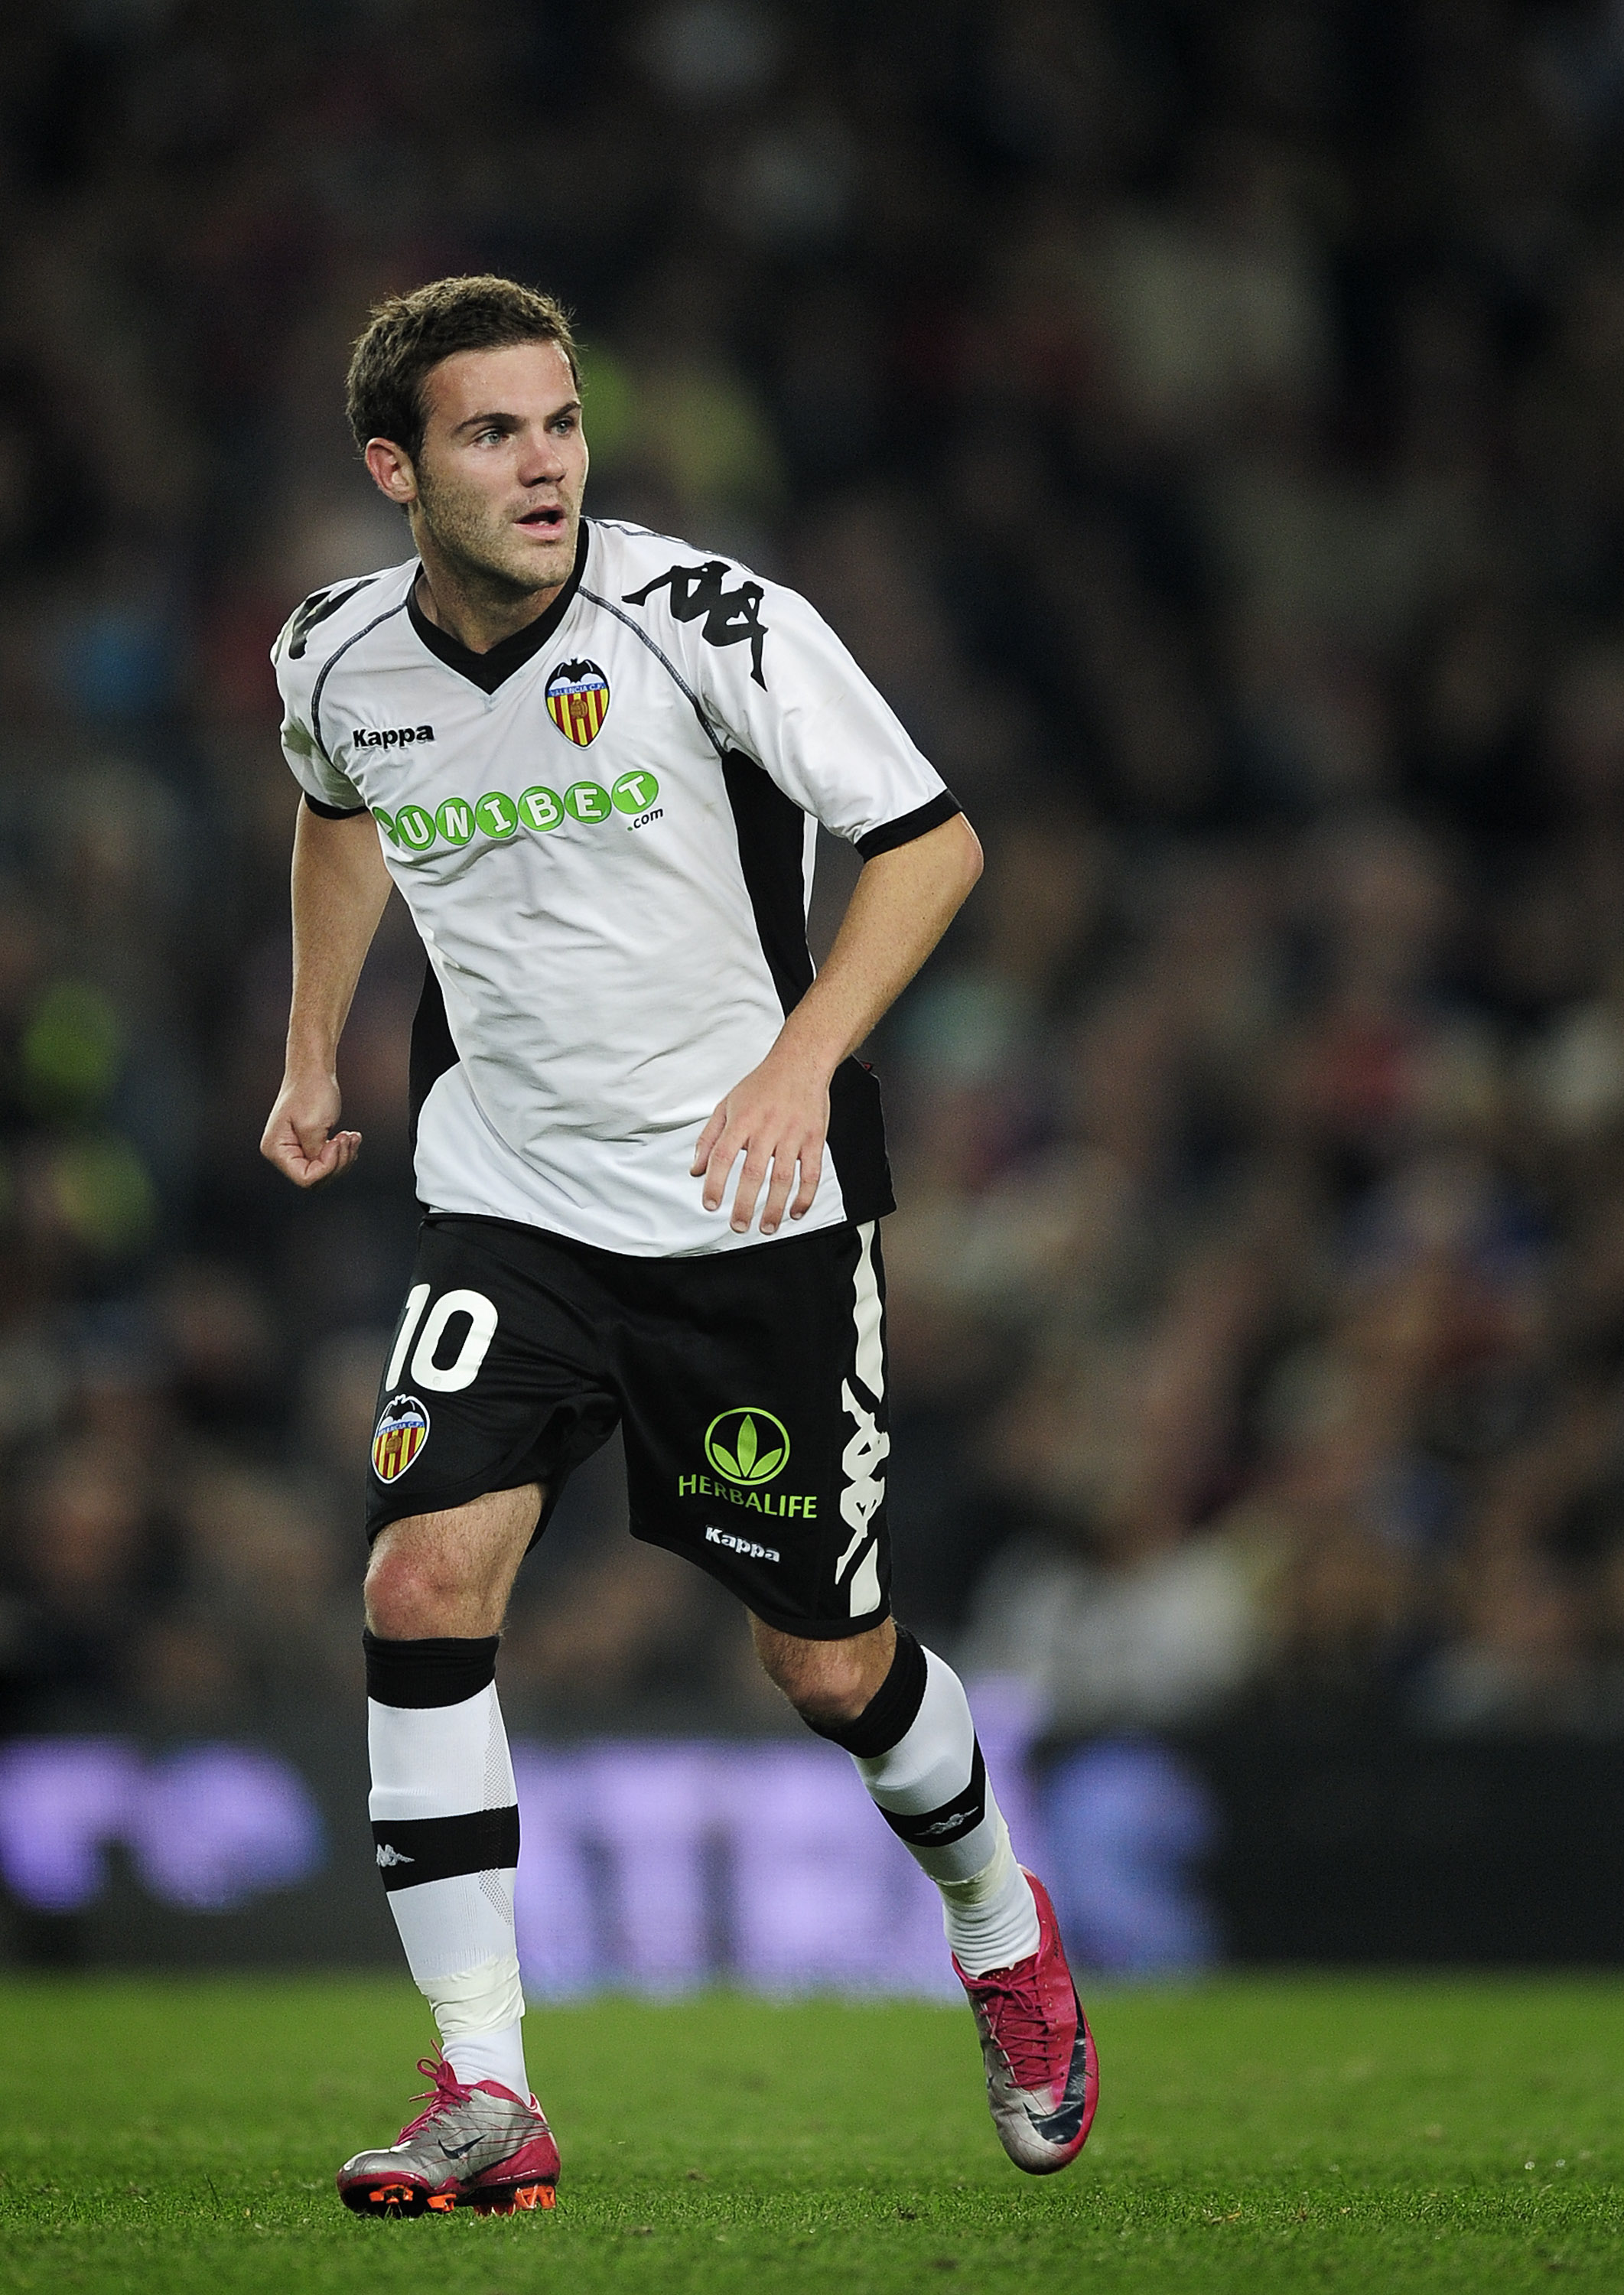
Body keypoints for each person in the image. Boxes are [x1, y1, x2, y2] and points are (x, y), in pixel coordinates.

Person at [261, 274, 1096, 2217]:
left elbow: (931, 840)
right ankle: (485, 2090)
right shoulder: (330, 655)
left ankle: (994, 1928)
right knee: (416, 1581)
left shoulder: (704, 619)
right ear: (396, 467)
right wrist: (311, 1049)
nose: (543, 463)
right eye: (491, 433)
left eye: (559, 422)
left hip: (748, 1218)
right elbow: (332, 813)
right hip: (510, 1197)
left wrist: (803, 1066)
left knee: (825, 1669)